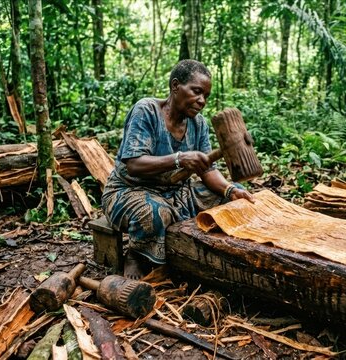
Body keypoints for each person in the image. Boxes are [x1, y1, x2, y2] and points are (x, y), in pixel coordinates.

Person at [102, 59, 254, 279]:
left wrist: (230, 190)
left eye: (206, 96)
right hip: (129, 191)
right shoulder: (146, 110)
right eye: (196, 91)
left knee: (237, 198)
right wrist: (179, 159)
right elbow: (134, 165)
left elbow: (207, 169)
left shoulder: (198, 123)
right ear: (175, 86)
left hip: (177, 192)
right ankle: (136, 254)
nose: (201, 100)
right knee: (155, 213)